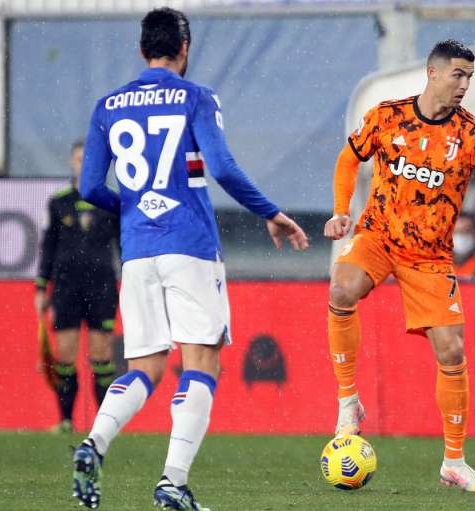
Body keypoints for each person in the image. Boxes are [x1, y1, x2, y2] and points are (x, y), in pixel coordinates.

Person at [71, 8, 308, 510]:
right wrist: (272, 211)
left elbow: (90, 186)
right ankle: (171, 484)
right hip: (190, 246)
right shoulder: (196, 97)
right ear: (185, 48)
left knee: (144, 367)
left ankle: (94, 441)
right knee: (201, 363)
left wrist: (133, 206)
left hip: (137, 253)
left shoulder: (107, 105)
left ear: (141, 50)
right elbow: (221, 166)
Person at [324, 39, 475, 492]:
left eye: (469, 77)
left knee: (451, 351)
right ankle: (348, 400)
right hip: (376, 236)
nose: (465, 85)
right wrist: (339, 210)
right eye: (458, 75)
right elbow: (350, 157)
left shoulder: (472, 133)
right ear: (432, 73)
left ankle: (454, 461)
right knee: (340, 290)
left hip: (430, 257)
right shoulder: (386, 115)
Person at [35, 139, 119, 434]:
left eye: (90, 158)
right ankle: (66, 421)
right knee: (66, 356)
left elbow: (125, 247)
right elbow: (48, 248)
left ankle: (105, 425)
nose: (84, 163)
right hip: (67, 288)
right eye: (80, 158)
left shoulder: (112, 202)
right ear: (72, 162)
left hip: (102, 287)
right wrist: (41, 287)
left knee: (101, 356)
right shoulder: (58, 202)